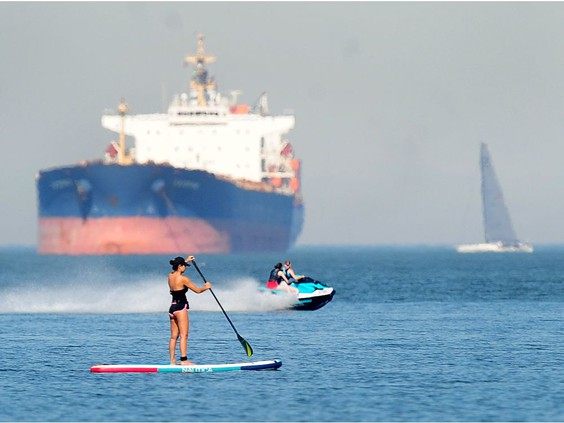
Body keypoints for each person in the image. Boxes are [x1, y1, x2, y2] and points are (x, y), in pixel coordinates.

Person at [168, 255, 211, 365]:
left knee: (174, 337)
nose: (185, 268)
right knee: (184, 335)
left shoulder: (170, 276)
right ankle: (184, 360)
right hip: (181, 308)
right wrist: (206, 287)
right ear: (180, 266)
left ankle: (172, 361)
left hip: (172, 308)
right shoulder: (183, 279)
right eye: (184, 266)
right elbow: (197, 290)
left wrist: (185, 261)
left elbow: (176, 270)